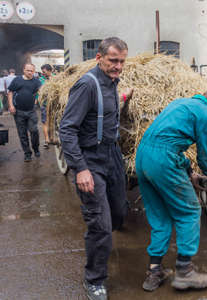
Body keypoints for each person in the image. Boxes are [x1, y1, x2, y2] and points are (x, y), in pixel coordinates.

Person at [135, 81, 207, 292]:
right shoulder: (206, 114)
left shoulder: (181, 103)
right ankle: (184, 271)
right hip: (163, 160)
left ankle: (154, 271)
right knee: (190, 211)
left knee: (160, 216)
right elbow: (205, 152)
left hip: (143, 157)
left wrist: (189, 172)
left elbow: (169, 144)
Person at [59, 37, 132, 300]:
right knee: (100, 224)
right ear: (98, 58)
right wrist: (80, 168)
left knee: (120, 211)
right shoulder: (86, 85)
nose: (118, 66)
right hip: (90, 159)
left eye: (122, 61)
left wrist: (124, 97)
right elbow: (66, 130)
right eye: (113, 61)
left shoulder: (113, 83)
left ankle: (103, 240)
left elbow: (106, 112)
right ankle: (94, 280)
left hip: (112, 155)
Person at [7, 64, 41, 161]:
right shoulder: (17, 80)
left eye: (32, 71)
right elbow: (10, 92)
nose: (30, 72)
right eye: (28, 70)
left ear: (34, 72)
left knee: (34, 130)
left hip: (31, 111)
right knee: (22, 133)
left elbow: (40, 91)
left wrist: (36, 100)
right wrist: (11, 106)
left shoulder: (36, 81)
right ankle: (27, 153)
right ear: (24, 70)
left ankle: (36, 148)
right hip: (18, 111)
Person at [39, 64, 53, 148]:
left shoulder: (56, 78)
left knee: (53, 121)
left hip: (54, 104)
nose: (42, 73)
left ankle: (52, 137)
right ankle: (47, 140)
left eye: (44, 72)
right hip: (44, 104)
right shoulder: (40, 80)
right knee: (45, 121)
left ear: (49, 71)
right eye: (42, 72)